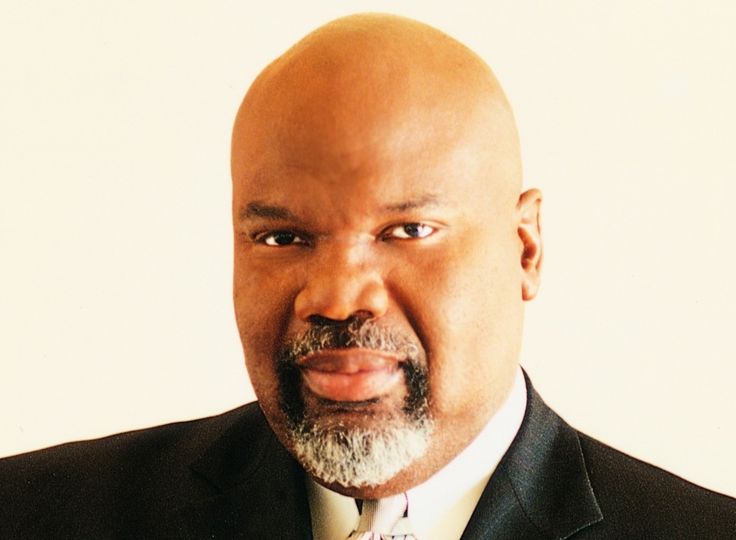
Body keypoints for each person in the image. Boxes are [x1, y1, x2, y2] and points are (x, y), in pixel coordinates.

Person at [1, 13, 734, 539]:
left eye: (407, 230)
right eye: (282, 237)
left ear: (526, 248)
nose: (337, 295)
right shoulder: (34, 514)